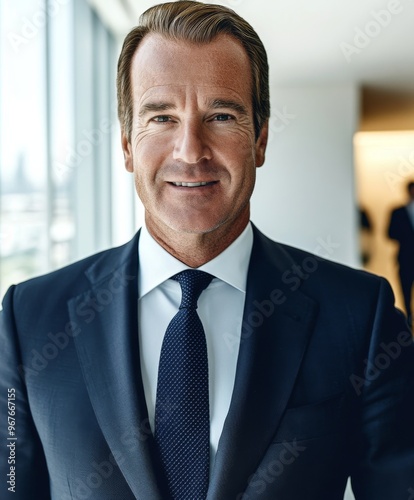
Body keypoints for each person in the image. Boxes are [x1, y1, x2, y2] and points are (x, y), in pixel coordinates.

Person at [1, 2, 414, 499]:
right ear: (128, 145)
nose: (190, 151)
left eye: (221, 115)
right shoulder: (29, 321)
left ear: (260, 139)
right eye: (162, 118)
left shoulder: (359, 316)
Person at [388, 180, 414, 325]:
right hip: (406, 259)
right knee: (406, 292)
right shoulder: (398, 211)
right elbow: (390, 233)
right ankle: (408, 320)